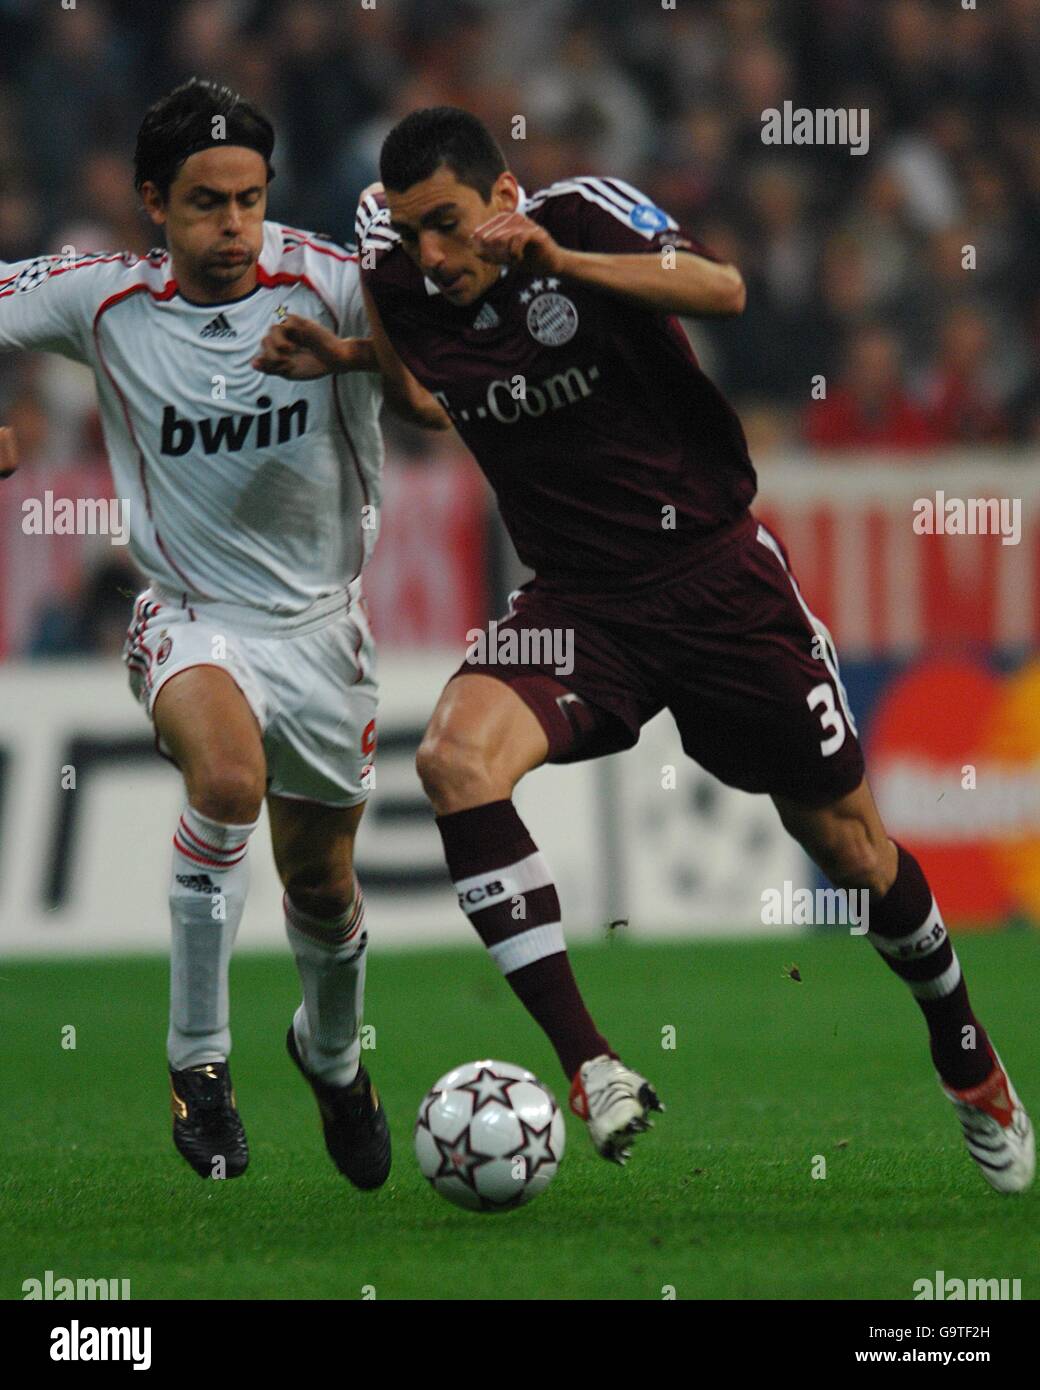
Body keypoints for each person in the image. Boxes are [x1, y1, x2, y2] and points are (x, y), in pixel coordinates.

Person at [254, 106, 1033, 1193]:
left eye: (447, 226)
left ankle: (964, 1052)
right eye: (408, 230)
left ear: (503, 198)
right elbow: (431, 398)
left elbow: (723, 289)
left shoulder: (578, 214)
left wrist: (559, 261)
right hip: (580, 601)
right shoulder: (397, 274)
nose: (430, 255)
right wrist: (345, 354)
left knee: (853, 849)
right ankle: (590, 1066)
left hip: (718, 581)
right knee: (452, 761)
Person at [0, 80, 445, 1187]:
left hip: (321, 631)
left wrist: (353, 350)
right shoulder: (101, 299)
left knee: (323, 889)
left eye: (248, 198)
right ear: (153, 201)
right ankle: (198, 1065)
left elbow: (432, 400)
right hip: (189, 614)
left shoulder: (335, 281)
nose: (231, 226)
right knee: (228, 776)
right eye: (204, 202)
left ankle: (332, 1058)